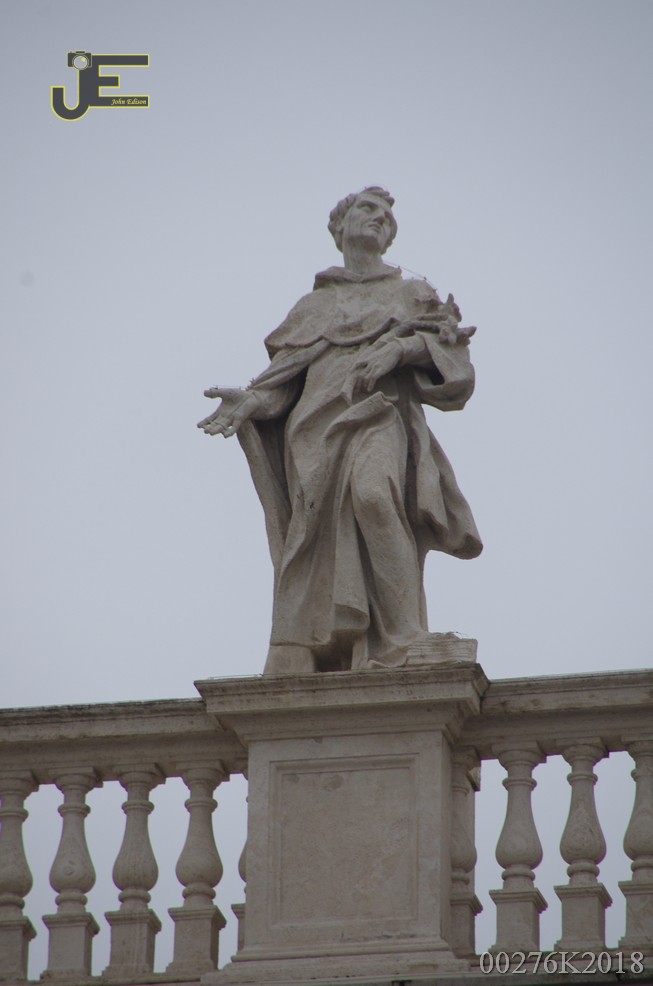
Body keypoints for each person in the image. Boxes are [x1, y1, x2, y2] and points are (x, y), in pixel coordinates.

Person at [198, 187, 482, 673]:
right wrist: (251, 401)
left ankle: (406, 636)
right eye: (368, 209)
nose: (381, 219)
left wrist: (399, 350)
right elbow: (285, 385)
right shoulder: (313, 306)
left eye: (388, 216)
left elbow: (454, 362)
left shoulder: (410, 294)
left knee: (373, 495)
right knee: (316, 536)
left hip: (377, 414)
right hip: (312, 431)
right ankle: (321, 641)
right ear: (340, 225)